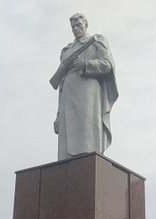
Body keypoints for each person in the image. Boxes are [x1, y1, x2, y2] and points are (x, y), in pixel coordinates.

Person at [52, 13, 118, 161]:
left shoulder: (96, 41)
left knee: (88, 134)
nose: (76, 29)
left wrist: (86, 64)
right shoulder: (66, 50)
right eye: (73, 27)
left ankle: (88, 161)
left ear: (85, 25)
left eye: (79, 25)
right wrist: (58, 115)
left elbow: (107, 64)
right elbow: (61, 85)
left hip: (88, 91)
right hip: (68, 93)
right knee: (66, 144)